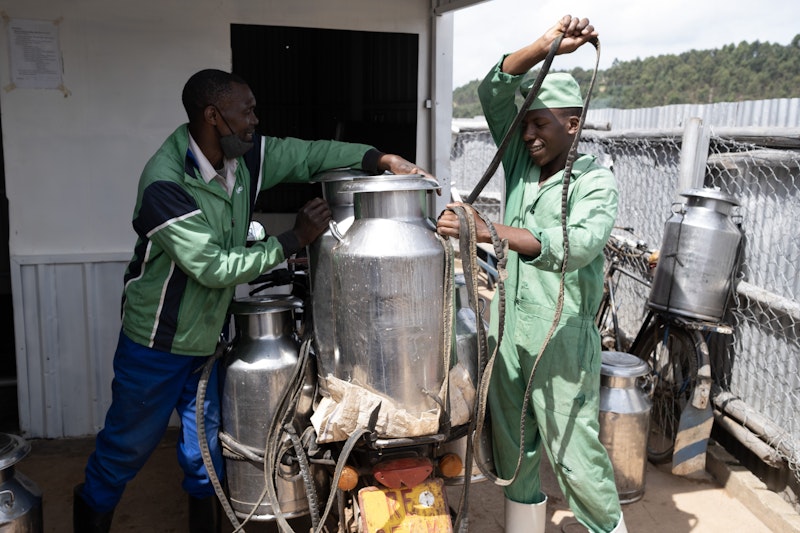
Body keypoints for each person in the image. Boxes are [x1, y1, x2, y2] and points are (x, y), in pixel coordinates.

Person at [73, 68, 430, 533]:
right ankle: (90, 517)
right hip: (156, 344)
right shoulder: (166, 183)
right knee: (127, 446)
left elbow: (308, 154)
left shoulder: (243, 160)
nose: (254, 120)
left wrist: (380, 158)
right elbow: (213, 268)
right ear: (213, 115)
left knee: (204, 455)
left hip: (206, 339)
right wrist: (292, 239)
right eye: (246, 111)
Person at [437, 16, 626, 533]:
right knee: (512, 446)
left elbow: (578, 245)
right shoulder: (522, 162)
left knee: (573, 452)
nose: (528, 134)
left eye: (540, 122)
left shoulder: (594, 183)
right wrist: (547, 47)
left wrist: (486, 230)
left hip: (561, 341)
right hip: (508, 332)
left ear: (573, 123)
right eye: (525, 124)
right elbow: (491, 88)